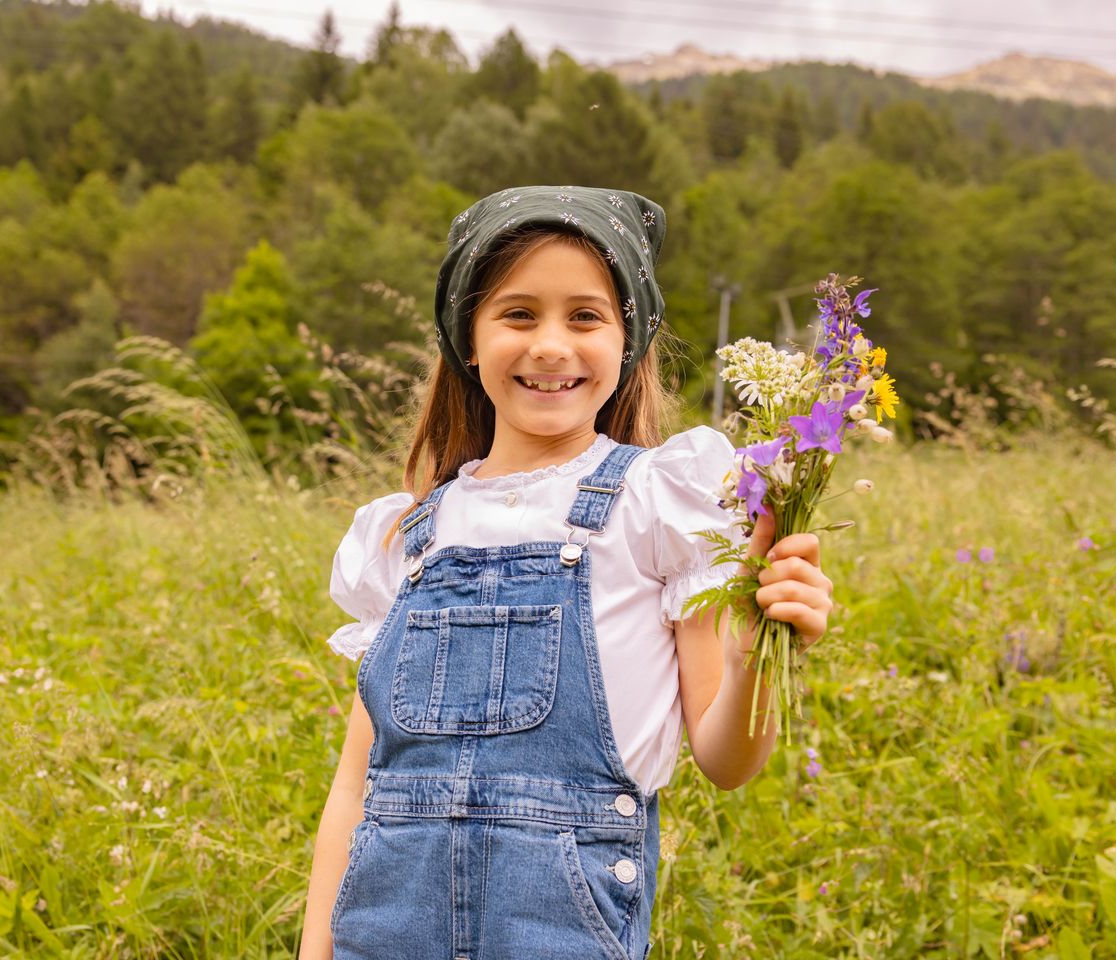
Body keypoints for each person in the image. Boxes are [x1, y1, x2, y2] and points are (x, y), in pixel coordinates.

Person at [299, 185, 834, 959]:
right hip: (381, 933)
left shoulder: (658, 504)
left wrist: (756, 643)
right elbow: (358, 788)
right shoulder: (404, 538)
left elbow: (725, 760)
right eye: (518, 314)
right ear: (469, 340)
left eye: (585, 316)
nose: (551, 344)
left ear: (628, 342)